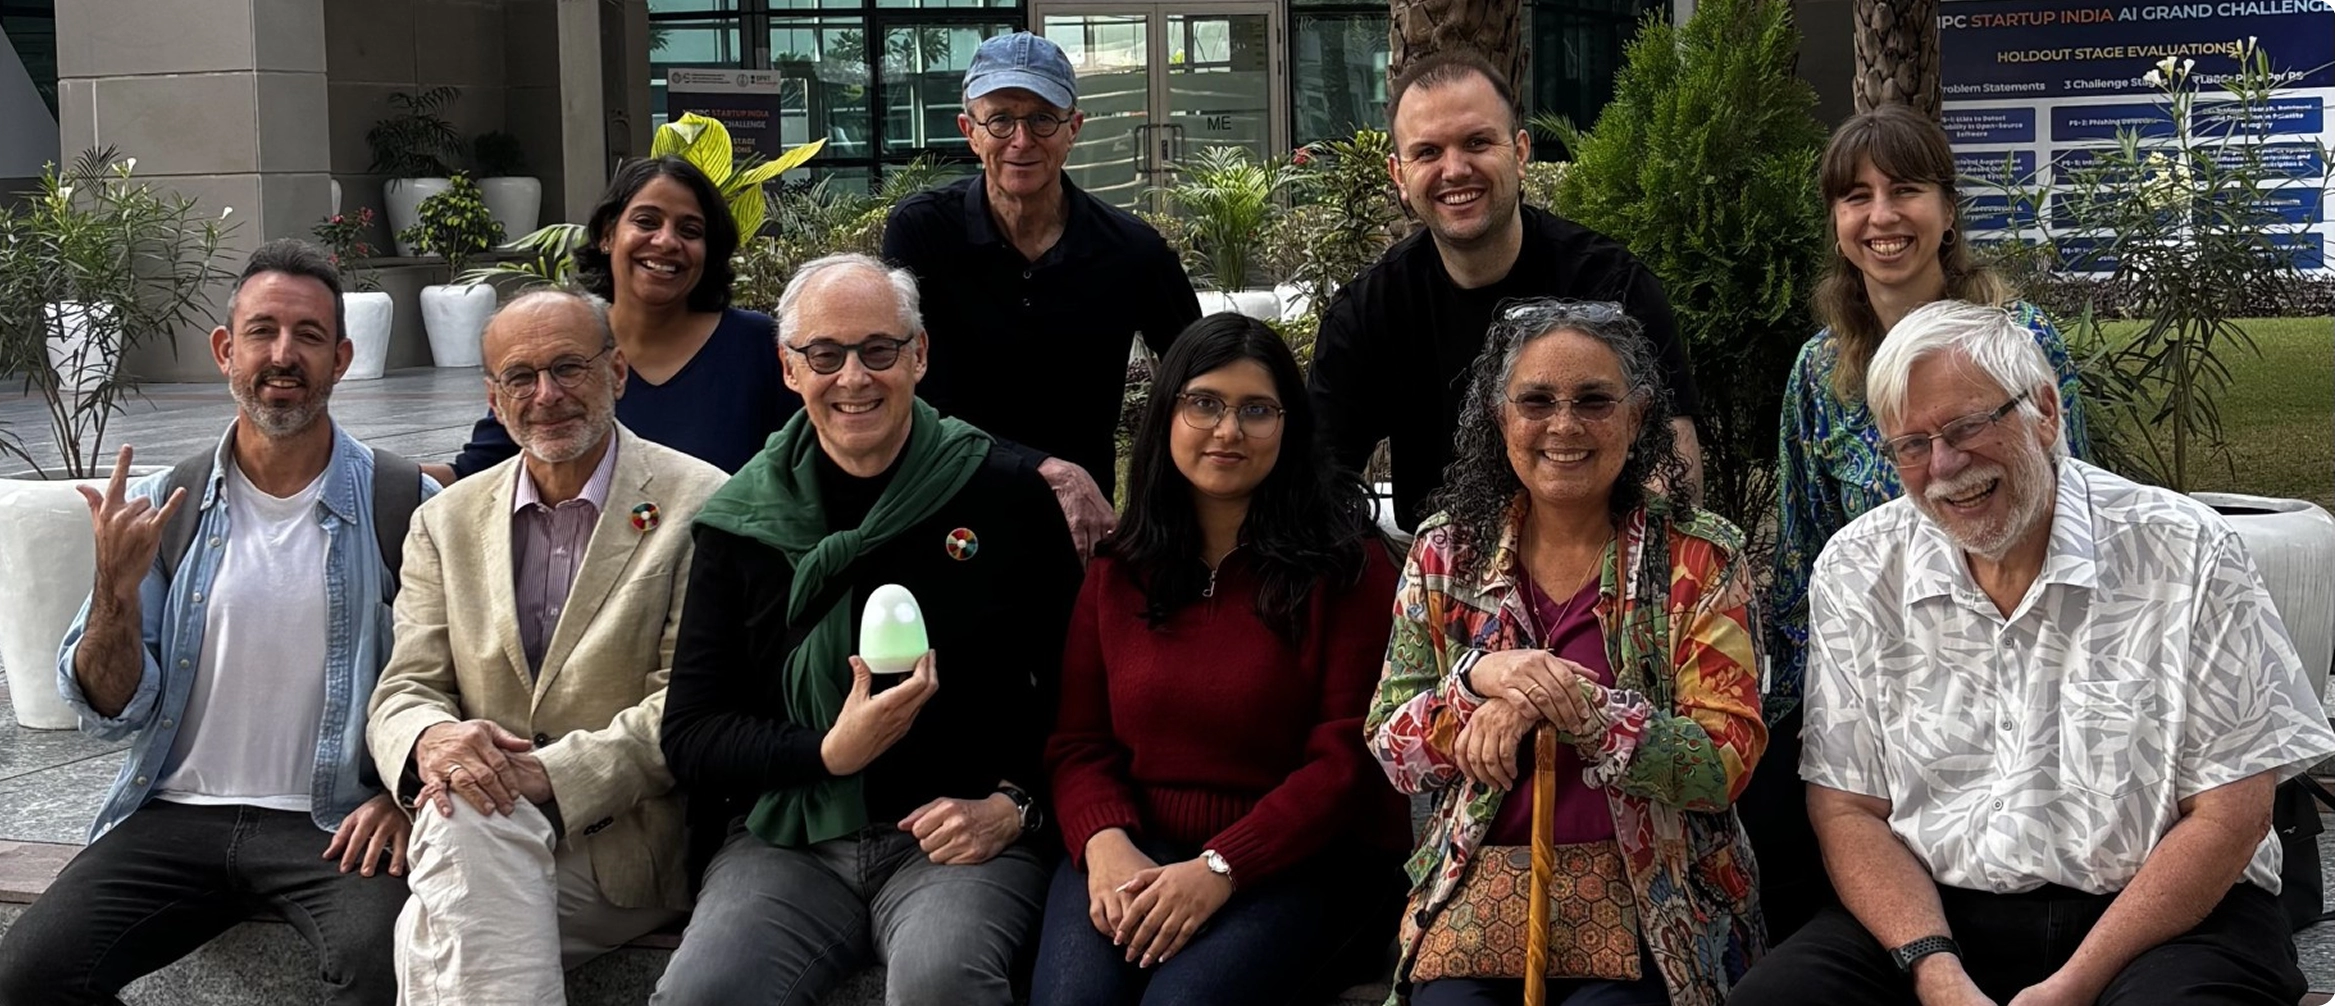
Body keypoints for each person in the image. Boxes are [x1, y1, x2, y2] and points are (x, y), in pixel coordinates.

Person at [1728, 300, 2335, 1006]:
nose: (1945, 466)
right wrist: (1936, 971)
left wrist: (2073, 987)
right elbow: (1848, 808)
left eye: (1965, 427)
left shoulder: (2186, 551)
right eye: (1912, 445)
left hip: (2168, 915)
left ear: (2045, 412)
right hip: (1932, 915)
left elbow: (2233, 812)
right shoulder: (1860, 568)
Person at [0, 240, 434, 1005]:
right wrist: (113, 592)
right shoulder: (173, 501)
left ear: (343, 357)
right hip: (176, 815)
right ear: (226, 351)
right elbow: (106, 707)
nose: (284, 354)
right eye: (262, 331)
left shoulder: (407, 501)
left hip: (335, 820)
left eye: (309, 335)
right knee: (33, 970)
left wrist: (405, 795)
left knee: (382, 967)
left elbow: (458, 676)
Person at [651, 253, 1084, 1006]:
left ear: (919, 355)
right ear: (790, 370)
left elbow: (1082, 692)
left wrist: (1015, 805)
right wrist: (824, 751)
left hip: (956, 838)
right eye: (825, 354)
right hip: (788, 840)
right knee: (703, 992)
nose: (853, 378)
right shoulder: (741, 521)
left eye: (878, 350)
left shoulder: (1003, 493)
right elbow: (691, 735)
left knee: (943, 981)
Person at [1746, 104, 2093, 939]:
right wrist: (1790, 721)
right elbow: (1802, 555)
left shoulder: (2017, 340)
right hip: (1875, 678)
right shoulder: (1819, 373)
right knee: (1772, 831)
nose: (1882, 216)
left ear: (1946, 209)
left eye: (1906, 190)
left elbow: (2074, 513)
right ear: (1836, 221)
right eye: (1856, 197)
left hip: (2012, 666)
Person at [1364, 300, 1766, 1006]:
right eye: (1537, 401)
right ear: (1501, 417)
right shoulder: (1445, 554)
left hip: (1661, 905)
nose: (1564, 425)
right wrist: (1481, 678)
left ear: (1638, 416)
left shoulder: (1700, 557)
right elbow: (1392, 749)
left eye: (1593, 401)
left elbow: (1723, 762)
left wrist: (1569, 704)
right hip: (1478, 896)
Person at [1032, 314, 1410, 1006]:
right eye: (1203, 403)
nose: (1228, 430)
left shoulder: (1350, 570)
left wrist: (1221, 867)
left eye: (1256, 410)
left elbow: (1347, 760)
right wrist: (1104, 843)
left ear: (1289, 425)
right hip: (1136, 845)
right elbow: (1079, 742)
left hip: (1303, 863)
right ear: (1167, 414)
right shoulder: (1121, 570)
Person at [366, 290, 731, 1005]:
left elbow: (688, 707)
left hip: (621, 852)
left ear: (617, 373)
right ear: (494, 399)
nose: (547, 395)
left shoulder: (701, 503)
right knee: (467, 842)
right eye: (521, 377)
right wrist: (435, 743)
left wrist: (544, 778)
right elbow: (405, 689)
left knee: (436, 924)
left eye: (569, 368)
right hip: (469, 820)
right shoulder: (444, 522)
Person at [1309, 52, 1704, 534]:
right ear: (1399, 176)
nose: (1454, 170)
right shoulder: (1368, 312)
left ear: (1519, 152)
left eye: (1477, 142)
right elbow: (1317, 483)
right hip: (1439, 580)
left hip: (1602, 570)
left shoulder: (1611, 286)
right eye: (1428, 152)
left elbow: (1671, 463)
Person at [881, 30, 1201, 554]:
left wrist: (1160, 504)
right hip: (942, 508)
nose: (1021, 140)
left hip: (1076, 528)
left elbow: (1203, 373)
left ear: (1072, 129)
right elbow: (900, 386)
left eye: (1042, 119)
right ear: (970, 131)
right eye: (1001, 119)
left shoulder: (1131, 251)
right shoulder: (923, 234)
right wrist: (1043, 468)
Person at [431, 157, 797, 483]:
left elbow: (808, 471)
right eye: (646, 221)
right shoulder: (564, 341)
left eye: (690, 231)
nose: (667, 241)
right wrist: (373, 471)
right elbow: (474, 474)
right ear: (608, 234)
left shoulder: (759, 347)